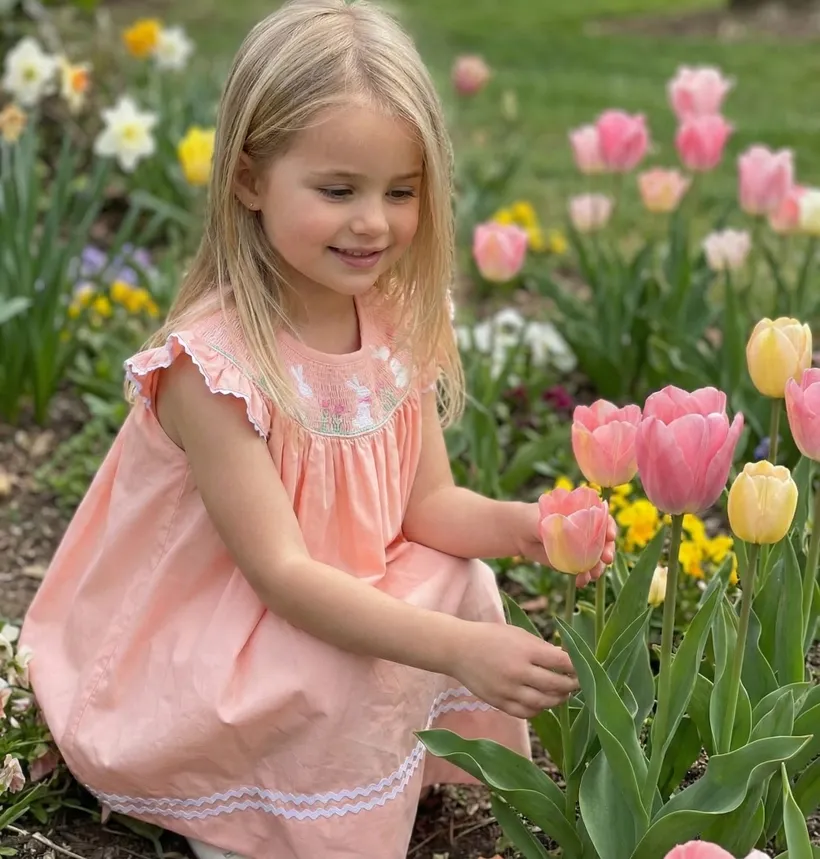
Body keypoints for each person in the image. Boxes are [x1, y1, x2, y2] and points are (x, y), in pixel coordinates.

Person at [21, 2, 614, 857]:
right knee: (341, 668)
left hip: (346, 591)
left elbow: (430, 507)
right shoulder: (214, 367)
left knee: (462, 575)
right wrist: (459, 651)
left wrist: (528, 528)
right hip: (231, 626)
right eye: (338, 190)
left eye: (400, 192)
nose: (373, 221)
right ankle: (243, 803)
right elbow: (284, 576)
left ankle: (364, 775)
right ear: (250, 178)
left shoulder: (396, 321)